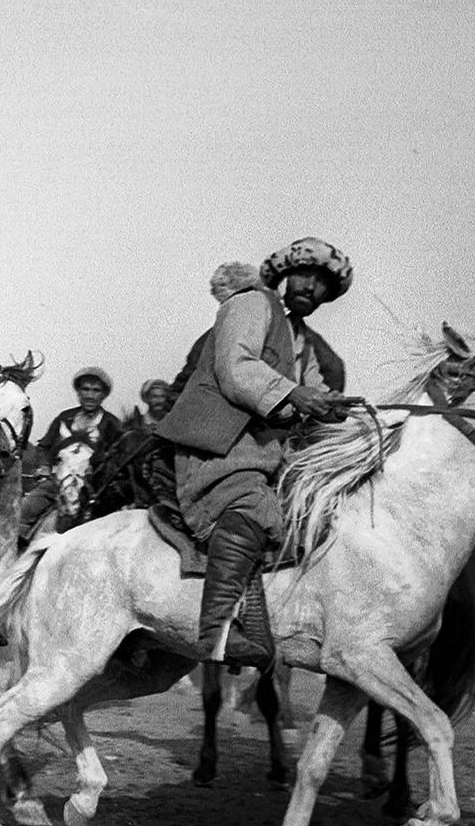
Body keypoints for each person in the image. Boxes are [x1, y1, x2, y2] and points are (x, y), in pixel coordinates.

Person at [156, 237, 353, 666]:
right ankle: (219, 634)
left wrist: (337, 410)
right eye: (303, 275)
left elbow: (314, 391)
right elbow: (236, 367)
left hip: (261, 454)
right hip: (217, 447)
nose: (311, 288)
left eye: (322, 284)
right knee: (249, 507)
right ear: (284, 275)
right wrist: (296, 395)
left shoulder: (304, 342)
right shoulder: (250, 304)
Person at [17, 367, 125, 537]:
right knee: (24, 510)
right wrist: (44, 467)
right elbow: (44, 447)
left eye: (96, 390)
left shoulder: (112, 424)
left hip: (92, 487)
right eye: (85, 389)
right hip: (57, 481)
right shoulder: (64, 417)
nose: (90, 395)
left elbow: (118, 458)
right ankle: (20, 553)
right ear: (78, 392)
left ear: (104, 395)